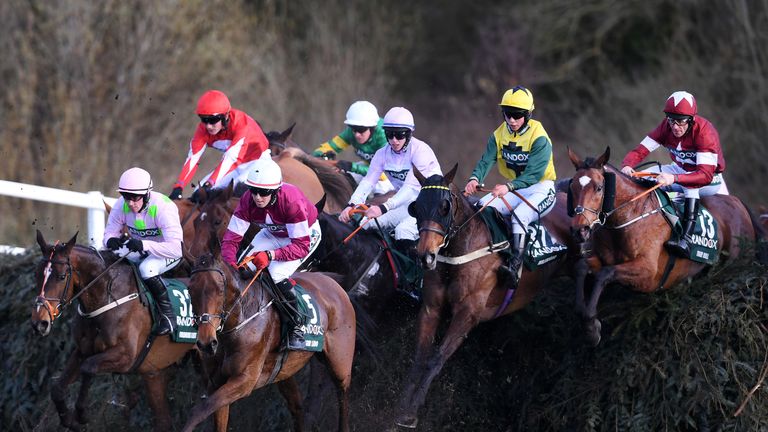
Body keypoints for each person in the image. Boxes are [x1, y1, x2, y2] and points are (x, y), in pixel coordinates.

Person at [220, 158, 322, 350]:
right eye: (254, 190)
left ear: (275, 190)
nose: (258, 197)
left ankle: (298, 324)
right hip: (273, 232)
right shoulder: (247, 201)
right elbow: (231, 238)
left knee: (276, 273)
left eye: (264, 192)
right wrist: (229, 263)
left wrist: (270, 255)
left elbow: (300, 246)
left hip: (303, 236)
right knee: (242, 268)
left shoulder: (291, 201)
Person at [464, 86, 557, 288]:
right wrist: (474, 178)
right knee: (481, 207)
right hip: (515, 188)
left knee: (520, 215)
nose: (512, 120)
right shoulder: (498, 134)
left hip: (541, 188)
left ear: (528, 114)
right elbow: (486, 161)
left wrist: (508, 186)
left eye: (517, 116)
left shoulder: (540, 136)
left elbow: (534, 174)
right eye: (508, 115)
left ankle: (515, 267)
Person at [620, 90, 728, 257]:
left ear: (691, 120)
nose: (675, 127)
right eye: (672, 120)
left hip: (709, 178)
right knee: (642, 176)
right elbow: (640, 150)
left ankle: (685, 240)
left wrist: (674, 178)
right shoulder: (666, 126)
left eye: (681, 122)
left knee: (689, 185)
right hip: (679, 169)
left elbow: (704, 175)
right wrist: (627, 165)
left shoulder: (705, 133)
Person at [339, 106, 442, 264]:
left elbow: (410, 188)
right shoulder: (382, 154)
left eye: (400, 135)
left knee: (403, 231)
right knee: (368, 224)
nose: (394, 140)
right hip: (407, 203)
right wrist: (351, 204)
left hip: (429, 206)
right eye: (390, 134)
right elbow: (368, 182)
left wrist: (382, 208)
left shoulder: (420, 151)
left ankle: (416, 276)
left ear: (409, 133)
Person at [104, 167, 183, 335]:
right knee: (110, 257)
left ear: (147, 194)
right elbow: (109, 233)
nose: (130, 203)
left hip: (166, 252)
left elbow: (176, 248)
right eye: (126, 197)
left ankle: (169, 317)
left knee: (146, 269)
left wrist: (143, 244)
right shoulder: (121, 205)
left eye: (135, 197)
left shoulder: (163, 208)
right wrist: (110, 240)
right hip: (141, 248)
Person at [169, 90, 271, 200]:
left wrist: (209, 184)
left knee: (233, 193)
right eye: (204, 119)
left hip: (258, 163)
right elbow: (192, 159)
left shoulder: (241, 124)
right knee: (197, 193)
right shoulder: (203, 130)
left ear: (226, 116)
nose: (208, 126)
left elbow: (230, 159)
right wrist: (178, 187)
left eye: (213, 120)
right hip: (235, 167)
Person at [312, 100, 394, 195]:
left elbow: (381, 172)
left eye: (361, 130)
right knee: (343, 179)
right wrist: (320, 155)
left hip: (390, 175)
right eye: (354, 129)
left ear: (373, 128)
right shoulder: (351, 133)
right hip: (368, 167)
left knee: (379, 186)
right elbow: (330, 146)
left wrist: (352, 166)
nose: (357, 135)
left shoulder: (385, 136)